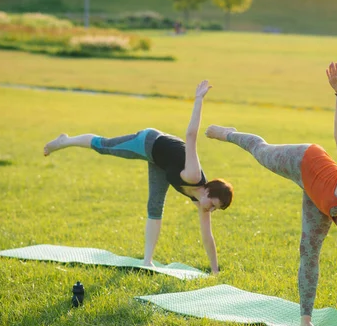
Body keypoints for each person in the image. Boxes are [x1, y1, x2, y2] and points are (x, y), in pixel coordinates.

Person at [205, 62, 337, 326]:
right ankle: (229, 133)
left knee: (309, 252)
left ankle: (305, 319)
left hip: (319, 202)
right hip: (304, 160)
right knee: (261, 151)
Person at [44, 80, 233, 274]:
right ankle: (65, 141)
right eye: (212, 203)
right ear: (208, 189)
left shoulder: (201, 200)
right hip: (150, 142)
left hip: (162, 164)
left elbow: (207, 236)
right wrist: (199, 99)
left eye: (215, 209)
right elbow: (191, 135)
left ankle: (147, 261)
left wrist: (215, 270)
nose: (210, 209)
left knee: (155, 206)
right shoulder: (193, 175)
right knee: (104, 146)